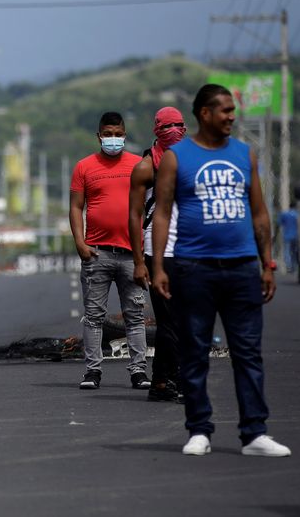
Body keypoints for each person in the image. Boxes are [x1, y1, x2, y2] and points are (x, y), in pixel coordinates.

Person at [152, 84, 291, 457]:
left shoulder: (245, 155)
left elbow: (259, 212)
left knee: (247, 352)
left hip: (242, 267)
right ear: (203, 114)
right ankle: (199, 430)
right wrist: (158, 266)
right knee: (194, 351)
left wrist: (268, 264)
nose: (231, 116)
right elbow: (162, 212)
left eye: (233, 110)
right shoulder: (177, 158)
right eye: (224, 110)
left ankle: (254, 434)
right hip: (193, 268)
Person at [70, 111, 149, 391]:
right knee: (93, 316)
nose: (113, 139)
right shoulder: (84, 167)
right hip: (97, 254)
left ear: (124, 135)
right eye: (108, 134)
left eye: (118, 134)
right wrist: (81, 243)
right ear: (99, 136)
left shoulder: (140, 165)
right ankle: (93, 371)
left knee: (135, 316)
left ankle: (139, 371)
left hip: (133, 255)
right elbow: (76, 207)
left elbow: (152, 209)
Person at [128, 107, 185, 402]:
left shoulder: (192, 160)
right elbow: (134, 215)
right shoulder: (146, 168)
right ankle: (164, 381)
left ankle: (168, 379)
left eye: (179, 125)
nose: (174, 130)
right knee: (170, 320)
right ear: (156, 131)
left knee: (185, 320)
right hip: (158, 251)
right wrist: (139, 262)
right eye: (167, 126)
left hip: (190, 251)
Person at [275, 204, 298, 274]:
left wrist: (276, 235)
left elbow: (278, 224)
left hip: (287, 235)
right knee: (294, 251)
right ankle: (294, 266)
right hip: (296, 236)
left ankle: (289, 266)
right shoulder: (297, 214)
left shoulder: (285, 214)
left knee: (287, 251)